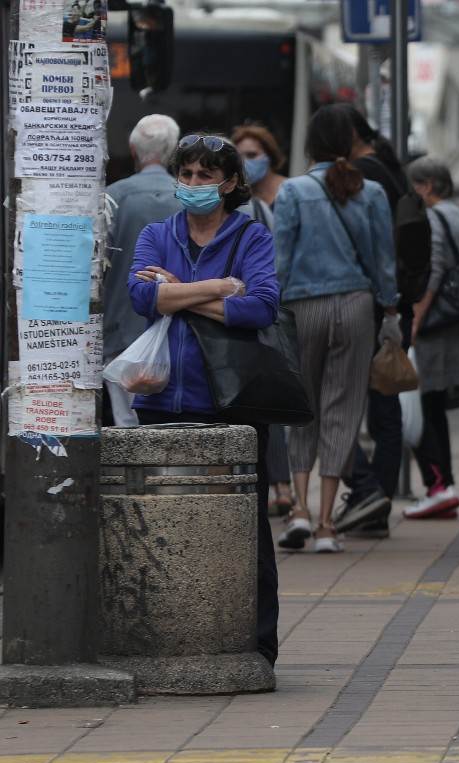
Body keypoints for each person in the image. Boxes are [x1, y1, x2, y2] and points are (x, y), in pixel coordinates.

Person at [127, 133, 280, 667]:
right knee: (159, 529)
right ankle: (167, 637)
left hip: (233, 399)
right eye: (186, 175)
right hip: (162, 397)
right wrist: (221, 289)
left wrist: (182, 294)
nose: (193, 185)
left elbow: (261, 307)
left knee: (248, 524)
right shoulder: (156, 233)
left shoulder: (251, 236)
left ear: (230, 183)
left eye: (205, 176)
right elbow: (144, 295)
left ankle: (258, 642)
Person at [273, 104, 399, 553]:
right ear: (348, 143)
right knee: (344, 409)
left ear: (311, 145)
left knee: (302, 405)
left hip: (304, 305)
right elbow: (384, 261)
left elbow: (281, 260)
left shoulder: (292, 192)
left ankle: (299, 510)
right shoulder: (369, 192)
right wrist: (390, 310)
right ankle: (328, 523)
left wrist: (278, 305)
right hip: (356, 305)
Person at [332, 105, 413, 539]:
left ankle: (369, 494)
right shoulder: (388, 167)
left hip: (375, 304)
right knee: (385, 405)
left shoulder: (365, 173)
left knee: (337, 405)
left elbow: (371, 245)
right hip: (394, 302)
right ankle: (374, 499)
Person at [401, 157, 459, 519]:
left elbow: (432, 272)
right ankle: (443, 484)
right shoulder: (458, 215)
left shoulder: (433, 217)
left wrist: (414, 320)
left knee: (425, 406)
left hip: (433, 325)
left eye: (413, 187)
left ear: (427, 186)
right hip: (454, 323)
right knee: (433, 406)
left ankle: (438, 485)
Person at [104, 114, 182, 427]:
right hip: (178, 333)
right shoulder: (190, 199)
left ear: (133, 151)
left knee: (127, 428)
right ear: (174, 151)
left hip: (121, 335)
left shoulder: (112, 197)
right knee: (172, 430)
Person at [233, 124, 293, 518]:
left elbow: (277, 262)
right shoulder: (244, 203)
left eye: (255, 155)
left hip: (264, 315)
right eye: (242, 156)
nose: (248, 163)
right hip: (240, 317)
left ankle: (283, 486)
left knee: (270, 404)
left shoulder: (279, 199)